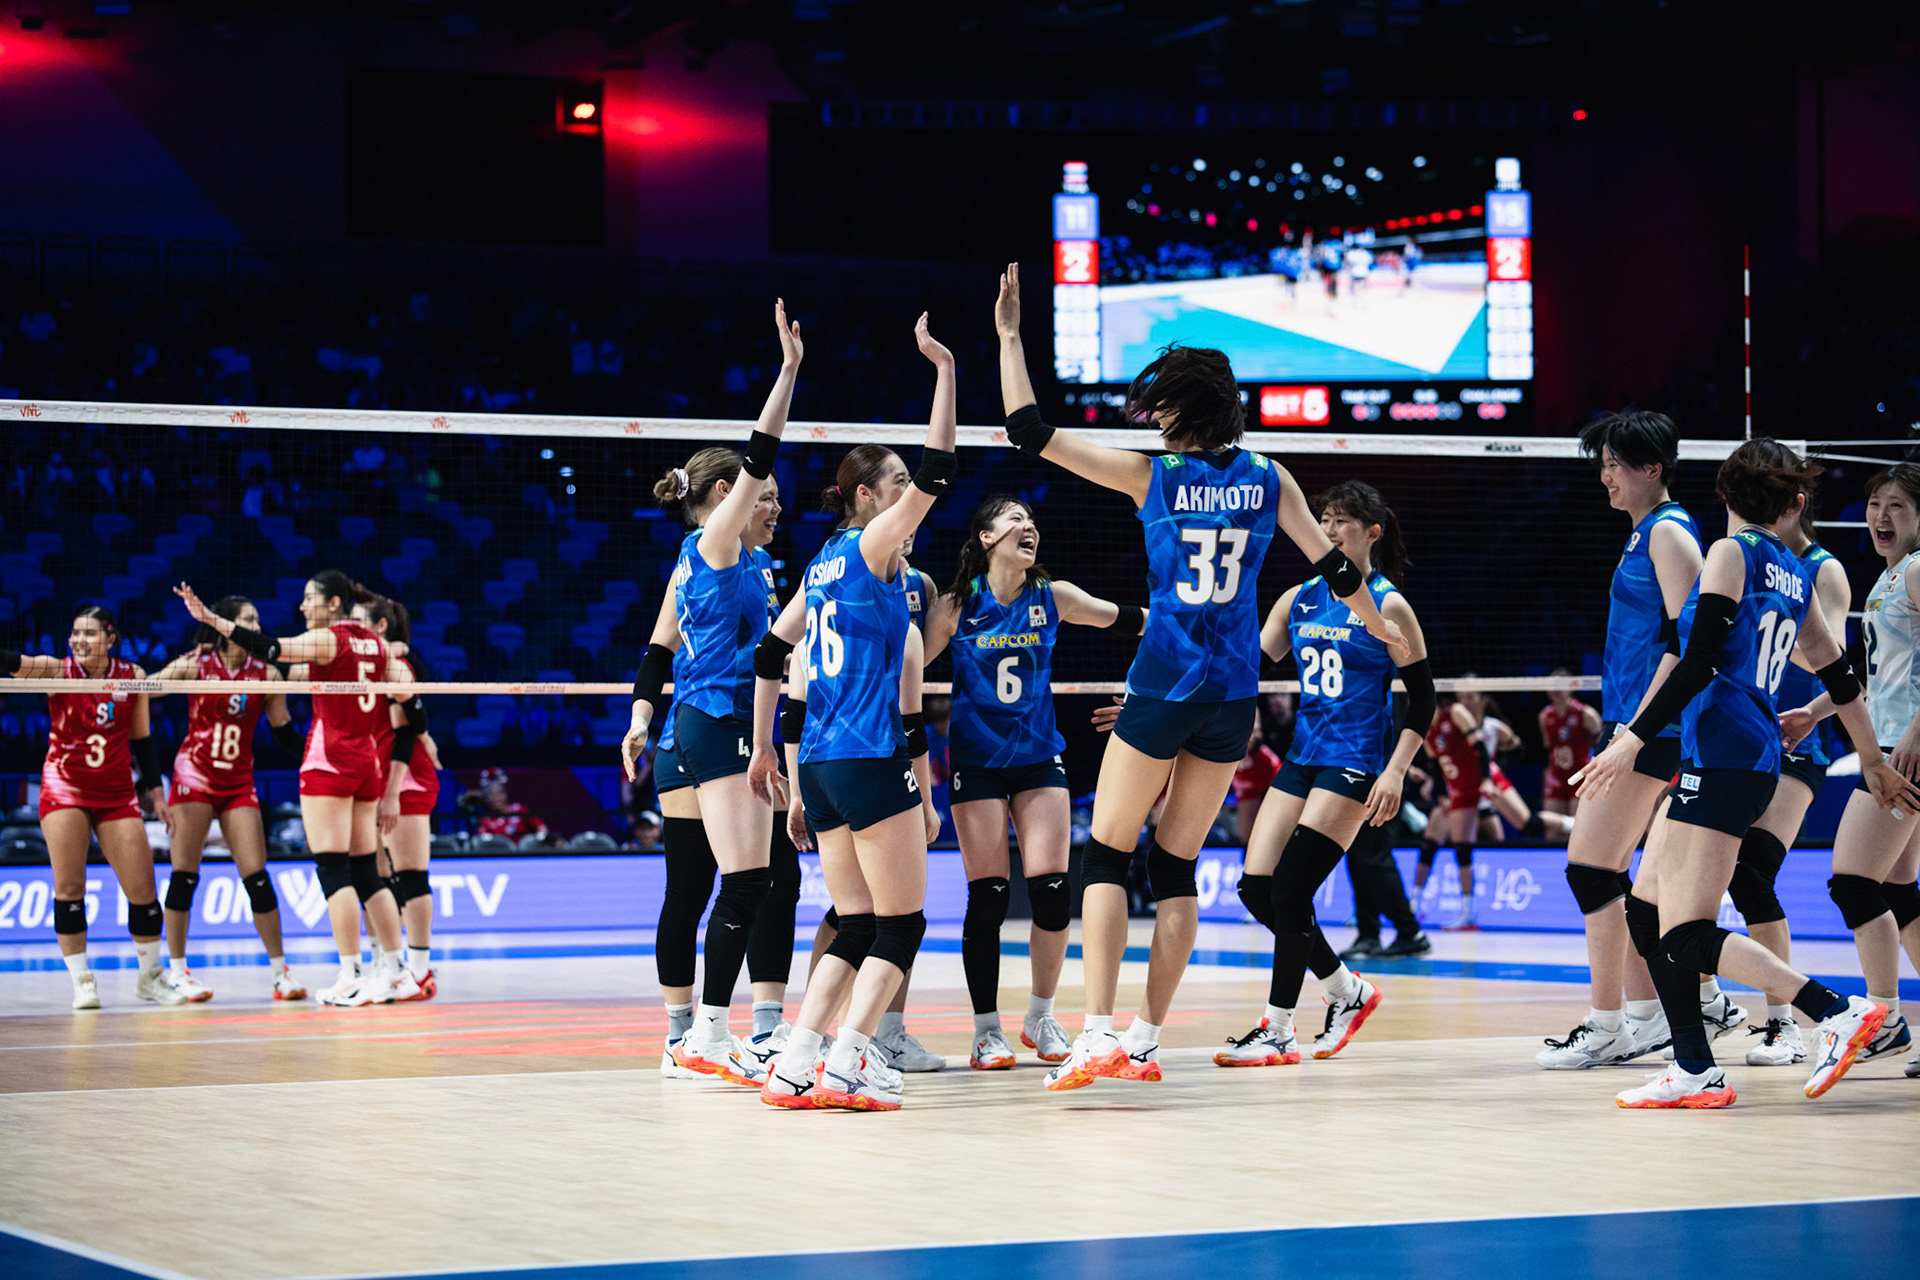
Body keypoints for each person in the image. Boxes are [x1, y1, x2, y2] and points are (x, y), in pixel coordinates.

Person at [990, 262, 1408, 1094]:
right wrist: (1378, 628)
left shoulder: (1154, 475)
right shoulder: (1269, 477)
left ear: (1180, 408)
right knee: (1175, 867)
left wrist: (1008, 336)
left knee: (1108, 856)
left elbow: (1028, 429)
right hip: (1233, 698)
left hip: (1165, 681)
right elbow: (1337, 572)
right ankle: (1145, 1041)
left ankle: (1100, 1033)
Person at [1577, 439, 1914, 1107]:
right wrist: (1870, 758)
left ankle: (1837, 1012)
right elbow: (1839, 671)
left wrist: (1629, 742)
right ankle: (1694, 1068)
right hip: (1740, 757)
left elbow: (1697, 662)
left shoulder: (1731, 554)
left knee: (1687, 929)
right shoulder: (1794, 569)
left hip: (1728, 753)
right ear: (1793, 502)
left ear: (1725, 496)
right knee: (1647, 908)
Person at [750, 312, 956, 1112]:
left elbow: (772, 655)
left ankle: (799, 1058)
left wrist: (777, 760)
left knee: (856, 919)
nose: (909, 500)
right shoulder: (871, 548)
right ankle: (851, 1060)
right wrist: (943, 370)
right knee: (902, 926)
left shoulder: (821, 562)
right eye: (894, 487)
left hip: (827, 769)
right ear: (866, 498)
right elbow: (940, 470)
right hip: (870, 759)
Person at [621, 299, 802, 1086]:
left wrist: (637, 716)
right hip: (720, 722)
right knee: (749, 881)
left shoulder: (703, 560)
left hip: (682, 730)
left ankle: (689, 1035)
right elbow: (761, 451)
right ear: (728, 492)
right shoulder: (720, 542)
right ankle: (712, 1034)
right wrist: (789, 371)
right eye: (760, 495)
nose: (774, 504)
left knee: (701, 883)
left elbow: (658, 647)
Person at [919, 493, 1146, 1071]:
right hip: (979, 762)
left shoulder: (1054, 596)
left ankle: (1041, 1016)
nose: (1030, 527)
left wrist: (1154, 679)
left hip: (1040, 758)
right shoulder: (955, 606)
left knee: (1051, 894)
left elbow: (1133, 622)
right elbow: (905, 667)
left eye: (1032, 519)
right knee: (990, 897)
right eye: (1015, 519)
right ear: (987, 537)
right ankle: (985, 1029)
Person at [1213, 481, 1433, 1068]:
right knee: (1256, 888)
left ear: (1371, 533)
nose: (1329, 531)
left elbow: (1423, 700)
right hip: (1304, 756)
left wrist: (1394, 773)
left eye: (1341, 522)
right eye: (1324, 520)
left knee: (1290, 889)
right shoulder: (1299, 599)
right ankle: (1345, 989)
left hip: (1355, 759)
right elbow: (1253, 659)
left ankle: (1278, 1027)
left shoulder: (1387, 605)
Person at [1536, 412, 1704, 1070]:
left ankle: (1612, 1023)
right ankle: (1643, 1016)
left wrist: (1634, 734)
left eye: (1615, 464)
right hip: (1630, 724)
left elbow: (1691, 646)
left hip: (1649, 728)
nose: (1605, 476)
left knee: (1591, 868)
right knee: (1618, 879)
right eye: (1601, 464)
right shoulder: (1643, 535)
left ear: (1652, 468)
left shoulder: (1669, 534)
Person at [176, 571, 425, 1006]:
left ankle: (350, 974)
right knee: (367, 871)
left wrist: (212, 620)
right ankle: (398, 970)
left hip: (330, 762)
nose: (302, 606)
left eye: (309, 598)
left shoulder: (330, 639)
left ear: (333, 604)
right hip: (367, 763)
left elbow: (271, 649)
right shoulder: (378, 646)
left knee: (333, 870)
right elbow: (414, 713)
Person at [1780, 461, 1920, 1078]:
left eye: (1897, 506)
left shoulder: (1916, 572)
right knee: (1895, 891)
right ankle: (1889, 1017)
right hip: (1895, 741)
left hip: (1903, 751)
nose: (1881, 517)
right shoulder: (1890, 578)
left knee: (1852, 881)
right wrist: (1817, 711)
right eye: (1875, 504)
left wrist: (1914, 734)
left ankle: (1885, 1018)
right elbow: (1872, 671)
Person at [2, 607, 185, 1009]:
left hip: (118, 793)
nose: (79, 640)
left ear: (110, 638)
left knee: (143, 891)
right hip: (65, 789)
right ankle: (82, 981)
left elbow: (142, 742)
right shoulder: (56, 670)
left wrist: (157, 794)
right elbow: (12, 662)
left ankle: (150, 979)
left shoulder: (131, 676)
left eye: (89, 633)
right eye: (74, 633)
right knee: (69, 889)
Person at [1728, 501, 1850, 1066]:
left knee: (1752, 871)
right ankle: (1708, 1004)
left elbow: (1833, 659)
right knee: (1697, 876)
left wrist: (1768, 622)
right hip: (1741, 738)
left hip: (1799, 744)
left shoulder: (1820, 568)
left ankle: (1783, 1026)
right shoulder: (1745, 557)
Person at [148, 595, 305, 1001]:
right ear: (225, 624)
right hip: (193, 776)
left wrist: (320, 747)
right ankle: (179, 971)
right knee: (184, 875)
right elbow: (147, 693)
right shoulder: (195, 663)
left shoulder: (268, 673)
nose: (256, 624)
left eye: (256, 618)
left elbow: (284, 733)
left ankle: (279, 973)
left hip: (237, 781)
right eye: (248, 618)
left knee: (257, 876)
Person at [354, 594, 441, 1000]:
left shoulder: (395, 665)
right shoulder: (362, 665)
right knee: (371, 874)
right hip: (371, 774)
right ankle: (385, 966)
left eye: (357, 621)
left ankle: (420, 970)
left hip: (404, 776)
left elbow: (407, 729)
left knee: (410, 875)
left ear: (381, 627)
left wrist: (391, 791)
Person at [1538, 673, 1602, 819]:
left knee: (1576, 825)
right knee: (1551, 832)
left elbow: (1601, 746)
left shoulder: (1586, 714)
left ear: (1571, 688)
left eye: (1560, 685)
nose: (1556, 690)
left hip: (1579, 775)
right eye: (1552, 686)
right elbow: (1547, 750)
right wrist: (1546, 779)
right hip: (1556, 777)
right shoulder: (1544, 716)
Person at [472, 769, 550, 846]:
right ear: (486, 799)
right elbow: (482, 843)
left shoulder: (519, 809)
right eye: (491, 795)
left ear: (505, 795)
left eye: (499, 793)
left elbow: (541, 828)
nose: (496, 798)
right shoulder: (486, 820)